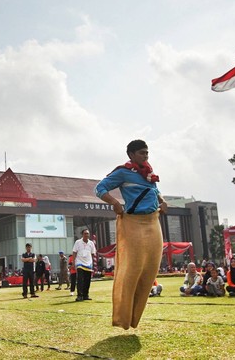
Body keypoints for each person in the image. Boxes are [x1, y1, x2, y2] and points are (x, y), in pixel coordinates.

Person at [95, 139, 166, 329]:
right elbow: (99, 188)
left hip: (153, 221)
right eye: (142, 153)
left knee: (150, 270)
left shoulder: (148, 172)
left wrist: (162, 200)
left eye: (147, 153)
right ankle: (122, 318)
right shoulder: (123, 172)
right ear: (132, 155)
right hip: (134, 223)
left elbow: (155, 189)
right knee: (132, 270)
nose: (146, 156)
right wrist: (115, 203)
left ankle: (134, 318)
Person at [72, 229, 97, 302]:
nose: (87, 235)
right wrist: (74, 262)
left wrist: (92, 262)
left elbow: (93, 253)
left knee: (87, 280)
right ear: (82, 234)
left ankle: (86, 295)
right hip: (80, 263)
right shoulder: (78, 242)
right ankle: (79, 295)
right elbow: (74, 252)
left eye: (88, 234)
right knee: (80, 280)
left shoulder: (91, 243)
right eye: (85, 233)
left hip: (88, 263)